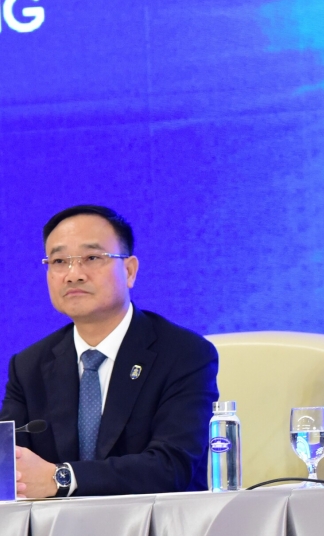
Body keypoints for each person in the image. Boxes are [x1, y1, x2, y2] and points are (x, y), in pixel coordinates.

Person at [0, 205, 219, 497]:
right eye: (59, 261)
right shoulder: (29, 366)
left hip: (155, 523)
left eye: (91, 258)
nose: (73, 274)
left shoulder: (185, 354)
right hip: (56, 526)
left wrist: (61, 478)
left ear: (129, 271)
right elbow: (7, 461)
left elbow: (172, 467)